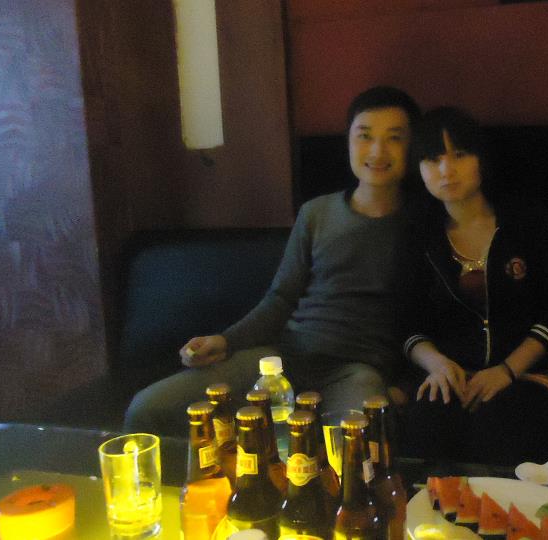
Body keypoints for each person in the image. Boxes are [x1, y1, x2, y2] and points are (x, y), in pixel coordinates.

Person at [124, 86, 421, 436]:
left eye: (394, 138)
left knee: (357, 446)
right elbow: (281, 298)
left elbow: (432, 319)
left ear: (412, 146)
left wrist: (406, 384)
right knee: (149, 409)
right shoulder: (316, 214)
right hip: (282, 359)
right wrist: (225, 341)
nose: (377, 151)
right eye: (365, 136)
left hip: (357, 371)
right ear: (349, 142)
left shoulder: (423, 224)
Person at [399, 107, 548, 465]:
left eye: (459, 155)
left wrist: (506, 371)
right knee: (424, 439)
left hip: (528, 374)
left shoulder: (525, 221)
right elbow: (405, 321)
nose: (446, 170)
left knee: (500, 437)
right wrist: (436, 363)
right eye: (433, 159)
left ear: (481, 158)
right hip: (450, 376)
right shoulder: (418, 234)